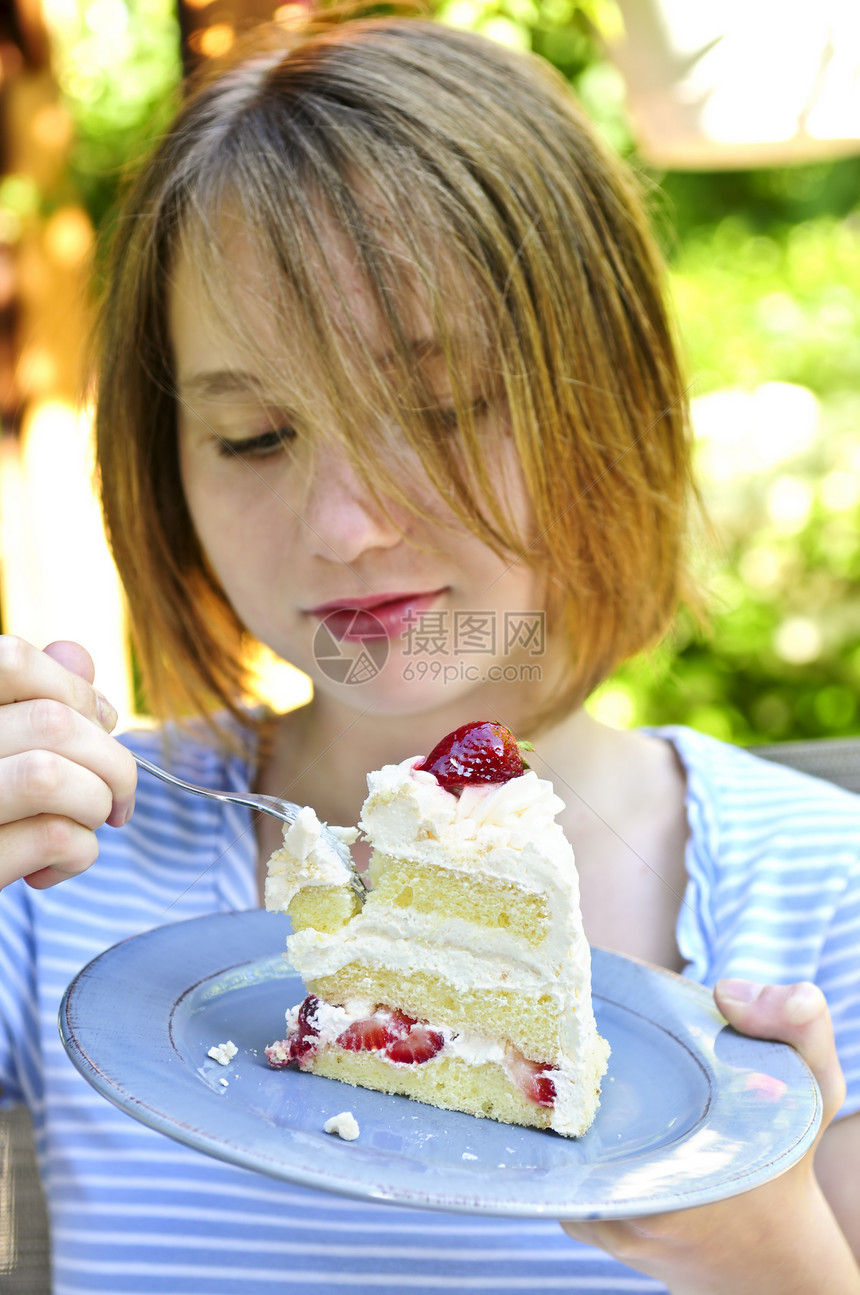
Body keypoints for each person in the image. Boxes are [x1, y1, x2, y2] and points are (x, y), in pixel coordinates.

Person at [1, 14, 858, 1294]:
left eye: (441, 408)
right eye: (254, 435)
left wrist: (758, 1249)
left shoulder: (825, 896)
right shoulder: (65, 876)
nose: (344, 527)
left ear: (611, 394)